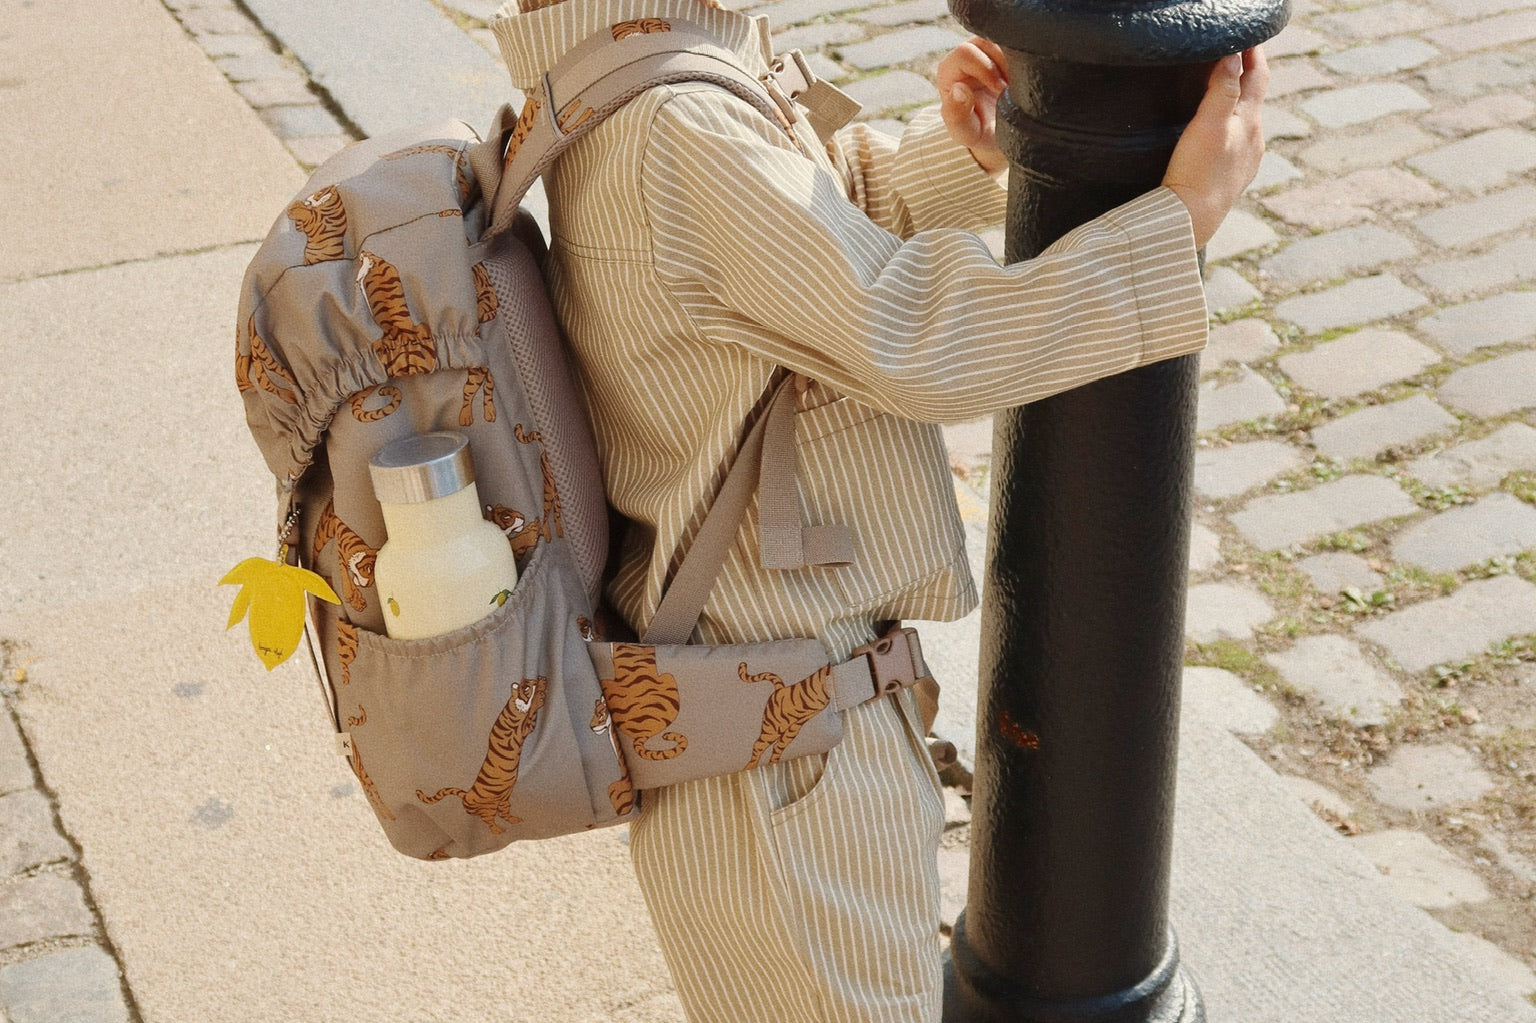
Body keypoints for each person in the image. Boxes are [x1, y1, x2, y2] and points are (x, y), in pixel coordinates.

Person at [491, 2, 1267, 1020]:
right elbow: (911, 339)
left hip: (758, 711)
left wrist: (955, 158)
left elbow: (791, 246)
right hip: (784, 749)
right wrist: (1179, 222)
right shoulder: (678, 127)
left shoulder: (624, 75)